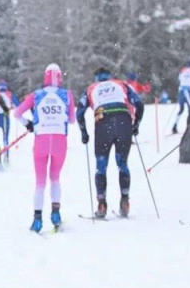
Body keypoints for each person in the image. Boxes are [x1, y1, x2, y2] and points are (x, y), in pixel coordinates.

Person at [14, 63, 76, 232]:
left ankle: (37, 219)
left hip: (40, 141)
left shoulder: (36, 95)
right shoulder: (67, 95)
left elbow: (17, 113)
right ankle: (55, 213)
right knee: (55, 178)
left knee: (40, 182)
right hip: (59, 141)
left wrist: (28, 123)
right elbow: (72, 120)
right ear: (60, 78)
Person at [76, 67, 144, 217]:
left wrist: (84, 133)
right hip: (123, 120)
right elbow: (139, 104)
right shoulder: (121, 84)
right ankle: (125, 200)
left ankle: (101, 204)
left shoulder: (91, 88)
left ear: (97, 78)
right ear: (109, 77)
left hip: (103, 122)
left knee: (101, 166)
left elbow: (79, 112)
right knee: (122, 164)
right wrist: (135, 125)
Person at [0, 80, 20, 165]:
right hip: (5, 117)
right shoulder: (9, 94)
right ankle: (6, 158)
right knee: (5, 138)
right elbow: (18, 105)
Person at [172, 58, 190, 134]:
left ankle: (175, 126)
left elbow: (179, 78)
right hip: (188, 91)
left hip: (181, 91)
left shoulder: (183, 70)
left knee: (181, 109)